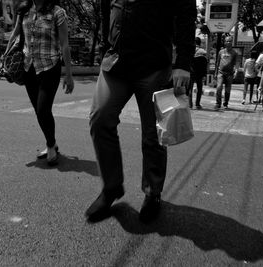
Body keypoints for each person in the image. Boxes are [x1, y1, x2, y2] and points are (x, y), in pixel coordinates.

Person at [85, 0, 197, 224]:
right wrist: (104, 45)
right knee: (100, 117)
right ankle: (111, 187)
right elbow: (106, 7)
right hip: (116, 61)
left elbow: (186, 13)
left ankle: (152, 192)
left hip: (154, 63)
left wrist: (183, 63)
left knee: (153, 134)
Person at [4, 0, 74, 165]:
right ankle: (52, 142)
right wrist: (5, 57)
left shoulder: (57, 13)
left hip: (50, 67)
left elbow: (64, 44)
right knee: (38, 110)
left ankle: (50, 146)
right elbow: (15, 35)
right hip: (29, 68)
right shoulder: (24, 11)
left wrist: (69, 75)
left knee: (43, 108)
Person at [214, 36, 239, 110]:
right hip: (220, 72)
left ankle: (225, 103)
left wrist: (236, 71)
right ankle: (218, 103)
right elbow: (217, 62)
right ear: (225, 42)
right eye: (227, 41)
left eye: (230, 41)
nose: (229, 42)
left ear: (232, 42)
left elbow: (237, 63)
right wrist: (215, 73)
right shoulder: (221, 52)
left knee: (228, 89)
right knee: (219, 87)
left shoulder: (234, 53)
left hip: (230, 74)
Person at [187, 37, 207, 109]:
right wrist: (205, 74)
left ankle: (190, 104)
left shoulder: (190, 51)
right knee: (199, 88)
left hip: (191, 72)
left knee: (190, 89)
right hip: (200, 73)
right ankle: (197, 104)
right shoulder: (203, 52)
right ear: (199, 43)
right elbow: (205, 64)